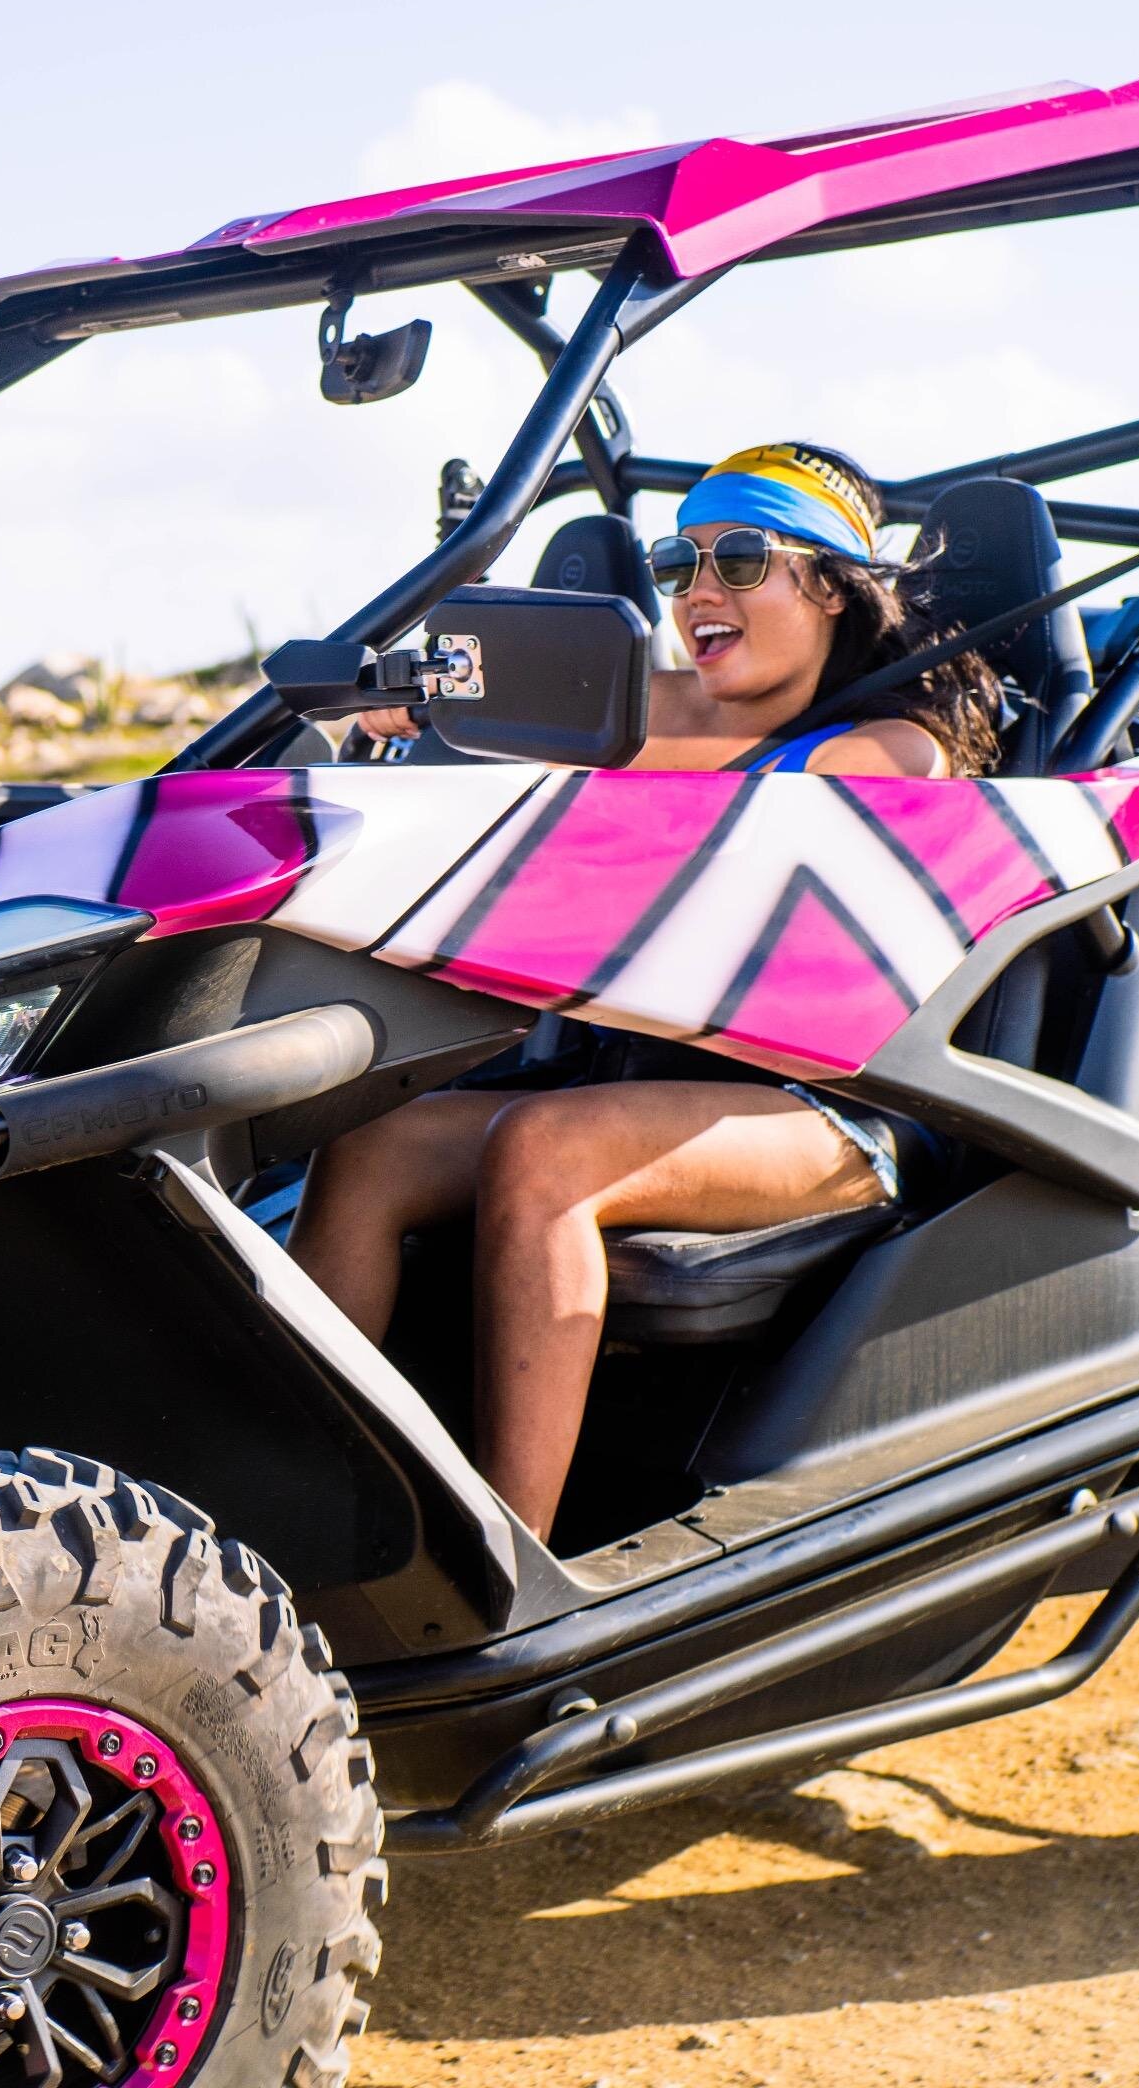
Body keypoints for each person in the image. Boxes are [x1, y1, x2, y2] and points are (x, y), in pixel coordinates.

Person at [288, 443, 1001, 1540]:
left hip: (840, 1109)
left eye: (740, 558)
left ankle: (507, 1562)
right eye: (678, 564)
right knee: (372, 1146)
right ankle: (299, 1518)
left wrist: (535, 737)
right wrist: (424, 700)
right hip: (653, 1075)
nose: (697, 591)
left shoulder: (896, 749)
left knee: (545, 1149)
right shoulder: (678, 714)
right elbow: (583, 712)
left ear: (831, 585)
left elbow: (713, 785)